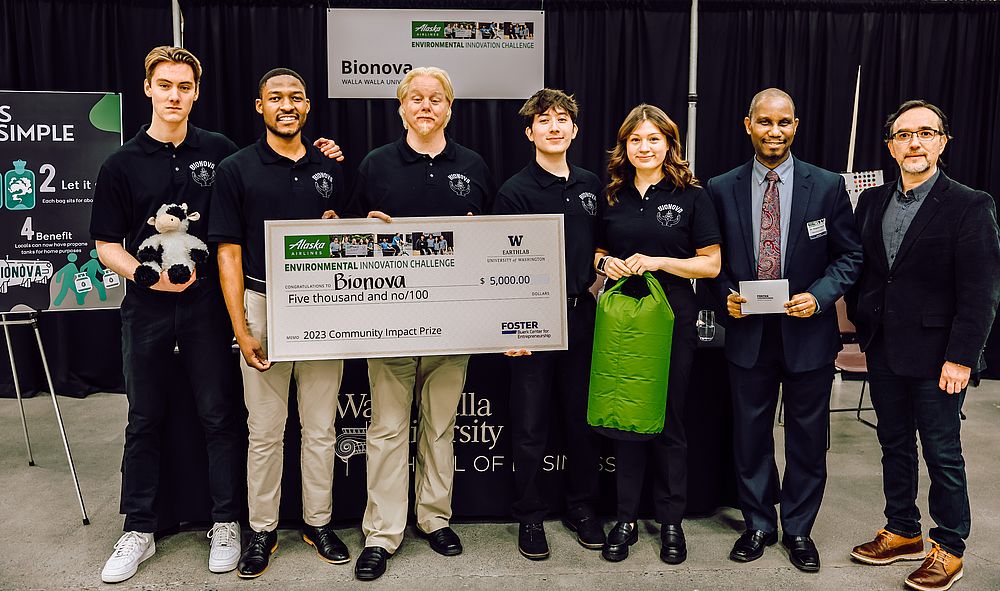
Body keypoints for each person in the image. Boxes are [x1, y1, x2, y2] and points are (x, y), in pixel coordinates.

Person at [89, 46, 245, 584]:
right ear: (149, 89)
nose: (175, 95)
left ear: (196, 92)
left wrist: (324, 155)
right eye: (166, 85)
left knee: (219, 415)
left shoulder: (222, 151)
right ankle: (138, 528)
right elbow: (106, 245)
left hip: (207, 309)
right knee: (144, 418)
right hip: (147, 309)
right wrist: (145, 274)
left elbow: (263, 188)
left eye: (185, 86)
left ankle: (226, 520)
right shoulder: (121, 163)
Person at [705, 88, 862, 573]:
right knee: (750, 436)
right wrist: (726, 295)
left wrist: (819, 296)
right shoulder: (720, 187)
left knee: (807, 438)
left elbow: (850, 256)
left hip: (807, 334)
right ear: (747, 124)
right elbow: (713, 262)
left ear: (796, 126)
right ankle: (758, 523)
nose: (775, 131)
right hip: (748, 336)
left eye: (785, 122)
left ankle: (798, 528)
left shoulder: (829, 185)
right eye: (766, 122)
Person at [348, 66, 494, 582]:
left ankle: (434, 519)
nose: (426, 106)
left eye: (436, 99)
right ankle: (382, 534)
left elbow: (495, 249)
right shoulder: (376, 165)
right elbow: (346, 243)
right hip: (389, 322)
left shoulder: (473, 165)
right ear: (401, 107)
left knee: (440, 426)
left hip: (454, 323)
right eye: (416, 98)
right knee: (387, 430)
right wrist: (363, 229)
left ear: (449, 108)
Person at [847, 100, 1000, 591]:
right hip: (885, 348)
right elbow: (869, 271)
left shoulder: (970, 204)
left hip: (940, 357)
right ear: (890, 145)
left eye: (926, 133)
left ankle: (950, 546)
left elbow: (981, 292)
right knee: (893, 445)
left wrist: (962, 357)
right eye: (905, 134)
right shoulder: (871, 201)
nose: (915, 142)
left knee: (942, 453)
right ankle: (902, 531)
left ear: (942, 141)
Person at [208, 67, 348, 579]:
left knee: (320, 428)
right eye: (275, 98)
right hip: (263, 304)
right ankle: (262, 530)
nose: (286, 105)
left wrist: (344, 227)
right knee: (264, 431)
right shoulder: (236, 168)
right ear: (259, 106)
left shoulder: (331, 166)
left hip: (324, 308)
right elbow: (228, 252)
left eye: (296, 97)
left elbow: (349, 242)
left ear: (307, 106)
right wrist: (241, 325)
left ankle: (318, 523)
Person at [594, 104, 722, 564]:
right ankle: (626, 519)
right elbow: (598, 248)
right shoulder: (611, 195)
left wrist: (659, 261)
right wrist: (602, 262)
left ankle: (671, 522)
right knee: (628, 417)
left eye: (653, 139)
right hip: (621, 322)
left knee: (668, 419)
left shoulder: (692, 195)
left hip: (672, 318)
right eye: (635, 140)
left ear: (669, 144)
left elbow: (710, 263)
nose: (644, 147)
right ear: (624, 147)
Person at [493, 89, 606, 561]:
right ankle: (530, 516)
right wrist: (511, 328)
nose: (554, 127)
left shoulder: (591, 185)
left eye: (563, 120)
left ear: (575, 131)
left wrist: (601, 263)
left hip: (583, 315)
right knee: (530, 426)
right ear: (530, 132)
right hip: (532, 322)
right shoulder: (514, 191)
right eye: (544, 120)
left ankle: (582, 508)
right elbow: (500, 263)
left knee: (581, 422)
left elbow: (602, 245)